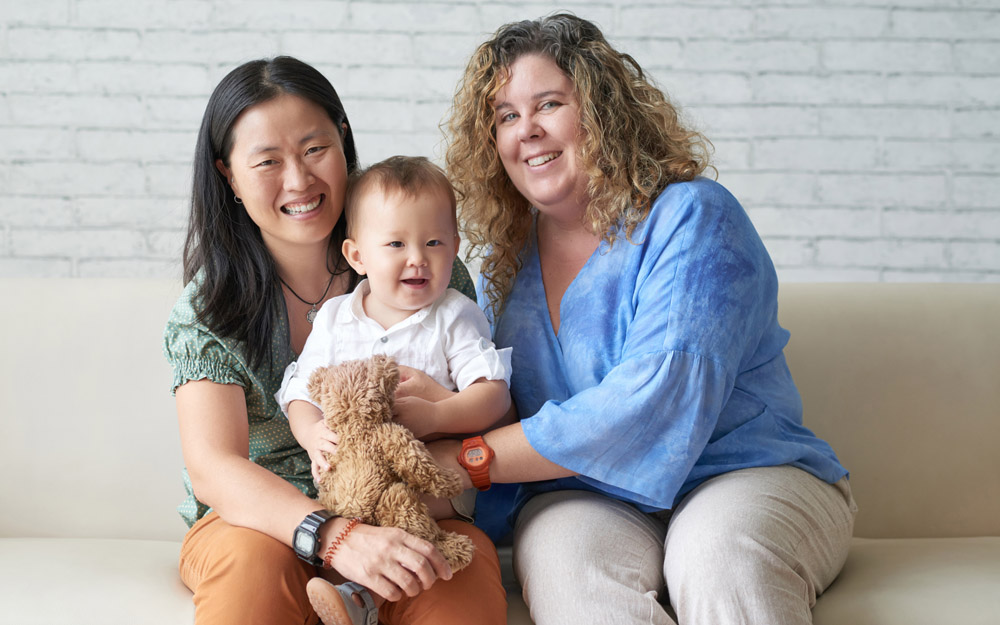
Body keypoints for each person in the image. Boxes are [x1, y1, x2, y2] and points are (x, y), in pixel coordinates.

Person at [429, 14, 858, 625]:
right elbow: (501, 402)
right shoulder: (508, 261)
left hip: (742, 472)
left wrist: (470, 457)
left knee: (716, 557)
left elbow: (649, 402)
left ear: (602, 112)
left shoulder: (694, 218)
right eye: (505, 116)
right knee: (566, 570)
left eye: (549, 103)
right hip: (588, 493)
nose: (527, 131)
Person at [162, 56, 506, 625]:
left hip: (410, 503)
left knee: (456, 586)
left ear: (343, 141)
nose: (298, 181)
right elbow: (213, 466)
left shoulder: (429, 270)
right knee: (250, 574)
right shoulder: (208, 309)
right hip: (257, 521)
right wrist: (335, 535)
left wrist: (439, 416)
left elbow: (488, 409)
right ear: (229, 175)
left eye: (314, 149)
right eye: (268, 161)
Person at [278, 155, 512, 461]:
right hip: (356, 470)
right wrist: (311, 434)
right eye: (396, 244)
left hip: (431, 468)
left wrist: (437, 415)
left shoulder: (454, 315)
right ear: (358, 256)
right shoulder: (335, 318)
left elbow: (494, 395)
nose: (417, 258)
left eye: (433, 243)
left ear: (454, 249)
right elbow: (301, 391)